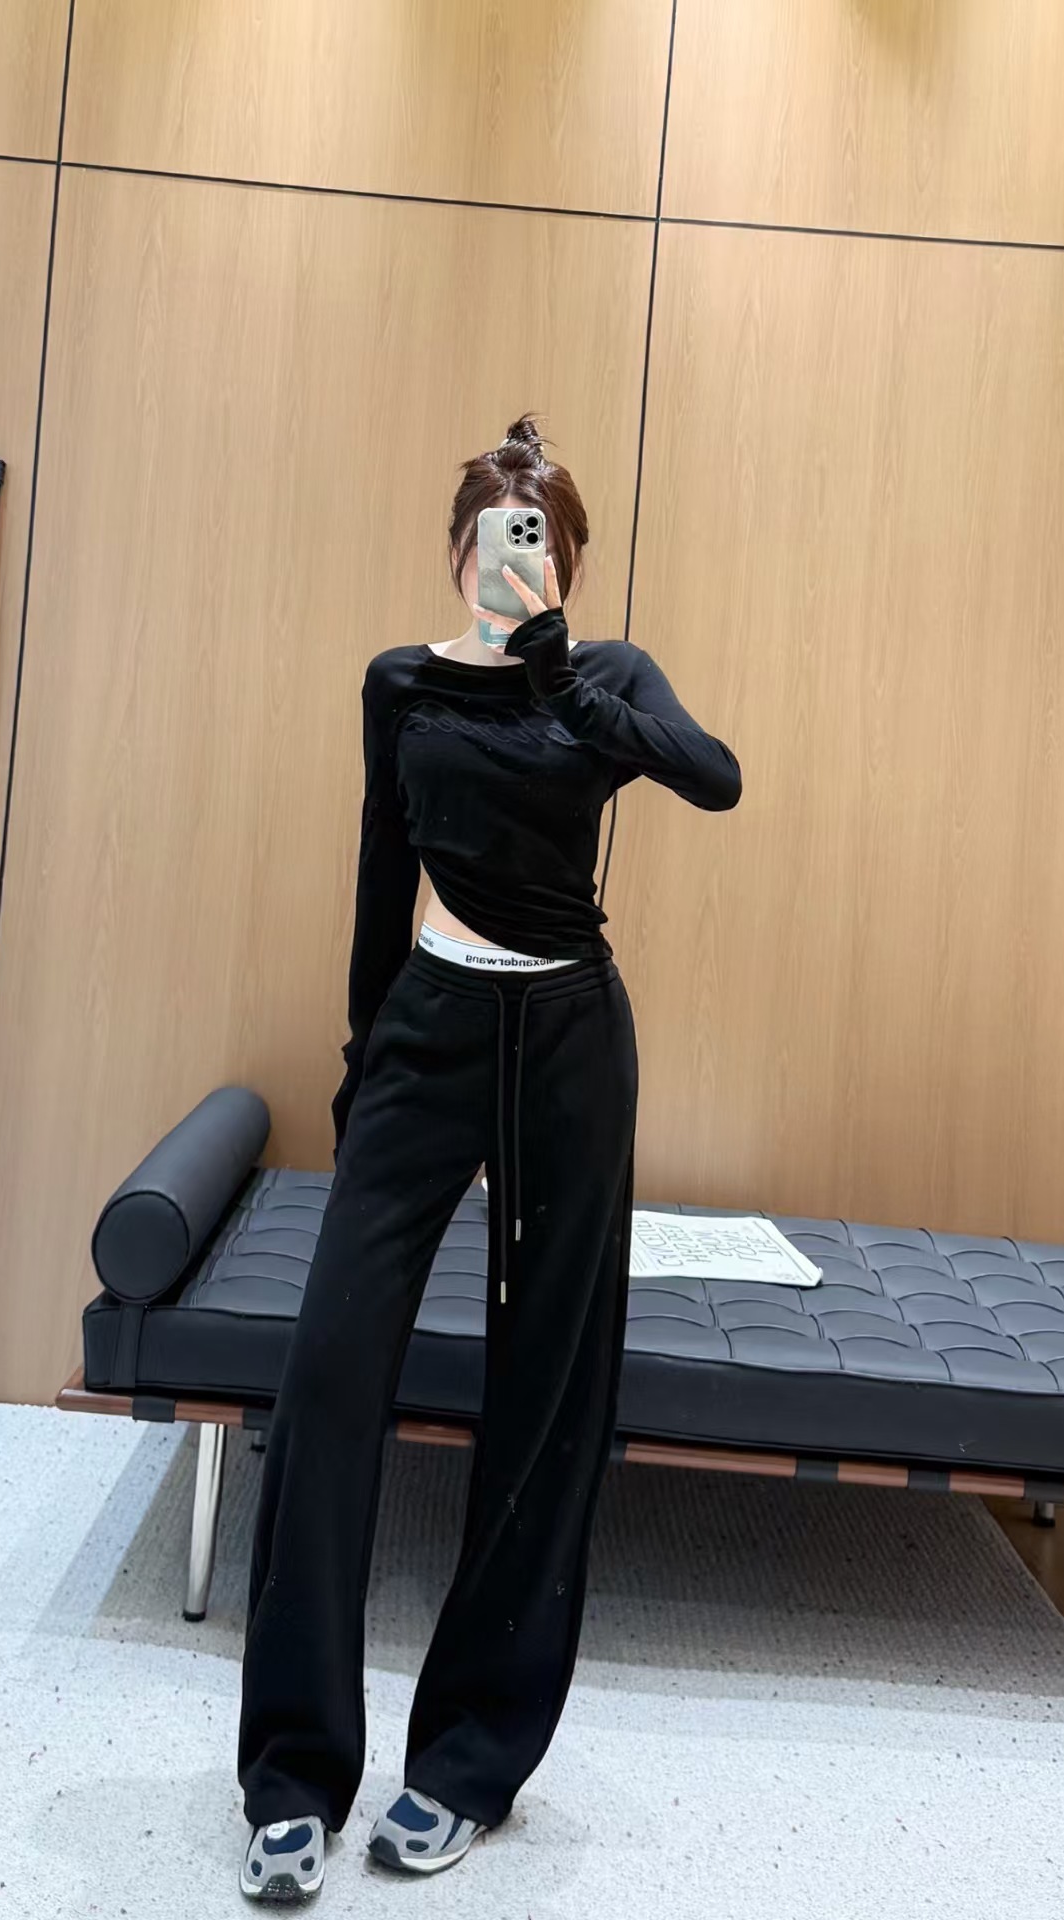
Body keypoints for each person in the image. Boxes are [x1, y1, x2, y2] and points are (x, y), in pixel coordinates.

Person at [237, 414, 743, 1902]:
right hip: (430, 1026)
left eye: (540, 544)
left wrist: (558, 671)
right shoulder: (398, 686)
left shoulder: (607, 679)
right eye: (493, 540)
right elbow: (378, 878)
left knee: (547, 1395)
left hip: (572, 1042)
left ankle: (466, 1765)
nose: (513, 562)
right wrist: (361, 1067)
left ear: (565, 562)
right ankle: (292, 1775)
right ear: (458, 551)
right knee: (330, 1376)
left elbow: (715, 778)